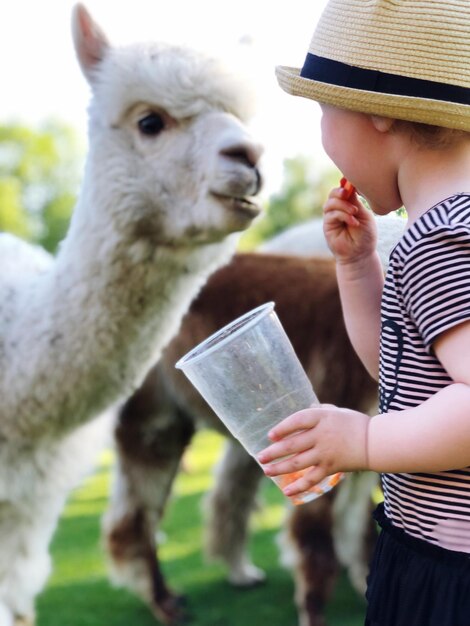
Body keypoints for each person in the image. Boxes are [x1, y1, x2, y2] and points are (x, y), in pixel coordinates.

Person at [256, 1, 470, 624]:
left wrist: (366, 439)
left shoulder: (442, 239)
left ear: (377, 111)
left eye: (325, 109)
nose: (321, 134)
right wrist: (358, 270)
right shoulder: (439, 232)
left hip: (451, 574)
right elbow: (407, 377)